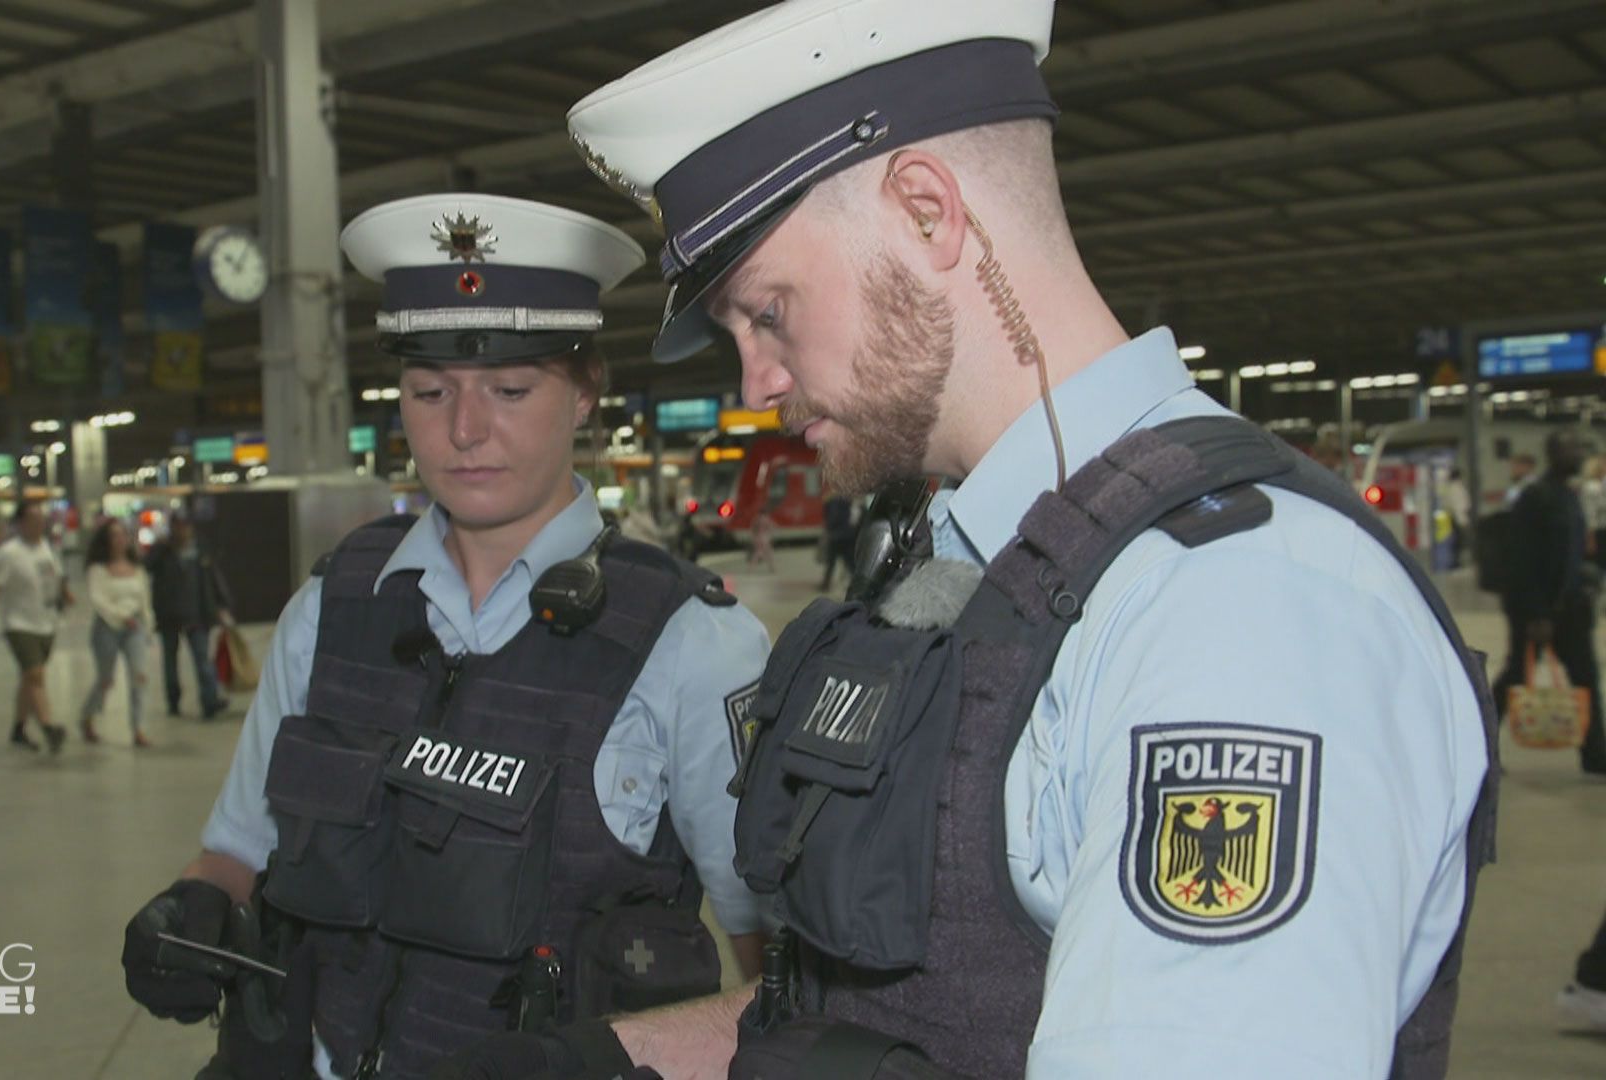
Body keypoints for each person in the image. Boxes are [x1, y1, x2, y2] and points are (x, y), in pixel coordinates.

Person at [443, 5, 1500, 1078]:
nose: (757, 383)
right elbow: (892, 1028)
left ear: (926, 211)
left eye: (768, 312)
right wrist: (600, 1061)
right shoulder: (964, 562)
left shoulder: (1239, 614)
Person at [120, 193, 772, 1080]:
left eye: (510, 390)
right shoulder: (332, 609)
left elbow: (775, 975)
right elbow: (238, 849)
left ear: (586, 392)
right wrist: (194, 906)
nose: (464, 430)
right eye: (430, 391)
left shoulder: (690, 645)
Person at [1493, 430, 1604, 775]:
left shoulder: (1568, 495)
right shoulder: (1535, 497)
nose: (1579, 455)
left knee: (1585, 677)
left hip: (1569, 607)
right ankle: (1480, 748)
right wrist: (1537, 613)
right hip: (1536, 609)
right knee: (1516, 675)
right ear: (1554, 453)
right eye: (1573, 449)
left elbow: (1571, 553)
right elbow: (1522, 560)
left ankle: (1595, 754)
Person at [0, 502, 71, 754]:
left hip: (46, 623)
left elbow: (56, 579)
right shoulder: (8, 554)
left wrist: (65, 595)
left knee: (29, 678)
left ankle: (18, 728)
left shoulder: (47, 549)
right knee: (35, 675)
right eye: (33, 519)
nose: (39, 524)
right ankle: (48, 726)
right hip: (19, 624)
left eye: (41, 519)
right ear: (20, 523)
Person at [146, 515, 234, 720]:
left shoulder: (200, 549)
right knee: (170, 662)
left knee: (202, 660)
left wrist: (222, 604)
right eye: (178, 527)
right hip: (168, 615)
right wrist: (161, 548)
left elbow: (212, 577)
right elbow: (147, 566)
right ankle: (173, 700)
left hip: (196, 615)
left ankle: (209, 701)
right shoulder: (163, 551)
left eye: (185, 527)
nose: (182, 532)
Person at [80, 518, 155, 747]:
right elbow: (98, 600)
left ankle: (138, 728)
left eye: (123, 534)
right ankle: (88, 715)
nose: (120, 539)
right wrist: (121, 617)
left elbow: (144, 601)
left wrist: (147, 627)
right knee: (106, 679)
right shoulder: (97, 570)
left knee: (139, 676)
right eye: (114, 535)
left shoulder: (137, 569)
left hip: (135, 628)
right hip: (107, 627)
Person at [817, 494, 857, 592]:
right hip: (846, 536)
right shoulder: (847, 503)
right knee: (849, 562)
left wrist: (829, 529)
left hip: (836, 537)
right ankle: (857, 581)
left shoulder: (832, 503)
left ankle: (826, 584)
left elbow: (831, 518)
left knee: (832, 562)